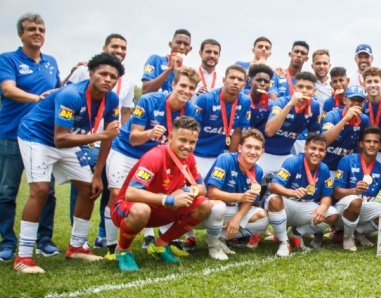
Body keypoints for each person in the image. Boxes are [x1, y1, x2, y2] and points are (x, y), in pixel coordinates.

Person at [13, 53, 124, 273]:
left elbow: (109, 137)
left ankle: (76, 246)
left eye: (113, 76)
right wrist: (101, 135)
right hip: (38, 137)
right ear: (91, 74)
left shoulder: (112, 99)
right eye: (103, 73)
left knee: (89, 189)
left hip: (70, 138)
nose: (108, 79)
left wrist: (96, 174)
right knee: (40, 190)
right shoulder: (71, 95)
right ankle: (23, 257)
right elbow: (60, 139)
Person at [105, 67, 202, 257]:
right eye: (183, 85)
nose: (186, 91)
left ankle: (159, 240)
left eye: (191, 88)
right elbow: (133, 137)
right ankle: (111, 245)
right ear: (173, 84)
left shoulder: (191, 110)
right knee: (118, 195)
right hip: (128, 151)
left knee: (163, 193)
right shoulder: (149, 100)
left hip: (158, 155)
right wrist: (150, 133)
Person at [0, 13, 61, 261]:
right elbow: (8, 89)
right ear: (20, 34)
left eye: (41, 29)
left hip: (42, 138)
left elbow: (55, 91)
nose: (37, 33)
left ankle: (44, 240)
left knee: (47, 192)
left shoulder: (51, 62)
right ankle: (7, 244)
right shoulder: (8, 59)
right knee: (7, 192)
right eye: (31, 29)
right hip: (12, 135)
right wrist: (37, 98)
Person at [110, 116, 213, 272]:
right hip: (128, 209)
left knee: (205, 205)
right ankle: (123, 249)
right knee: (141, 210)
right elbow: (131, 193)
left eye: (192, 142)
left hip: (160, 208)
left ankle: (161, 245)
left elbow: (202, 188)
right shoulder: (155, 156)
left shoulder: (189, 158)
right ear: (171, 137)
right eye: (183, 140)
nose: (187, 146)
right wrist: (169, 200)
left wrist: (185, 191)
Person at [66, 33, 136, 249]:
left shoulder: (128, 80)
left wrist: (119, 137)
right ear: (104, 47)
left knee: (107, 188)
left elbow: (124, 113)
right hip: (79, 139)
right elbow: (64, 94)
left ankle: (104, 235)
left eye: (123, 47)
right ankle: (78, 236)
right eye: (115, 46)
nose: (120, 50)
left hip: (109, 141)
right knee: (82, 187)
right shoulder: (82, 71)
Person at [200, 128, 269, 260]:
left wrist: (238, 217)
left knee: (264, 218)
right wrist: (239, 197)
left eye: (257, 148)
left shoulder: (258, 171)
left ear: (262, 152)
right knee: (219, 206)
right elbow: (212, 193)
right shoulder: (225, 159)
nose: (252, 152)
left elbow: (249, 200)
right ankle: (213, 245)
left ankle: (219, 237)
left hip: (230, 209)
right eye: (248, 147)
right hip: (209, 209)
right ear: (239, 148)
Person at [333, 127, 381, 251]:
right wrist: (354, 191)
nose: (372, 145)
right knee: (356, 201)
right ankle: (348, 238)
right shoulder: (347, 161)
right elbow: (336, 193)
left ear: (380, 145)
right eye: (368, 141)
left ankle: (358, 232)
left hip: (364, 209)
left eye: (375, 142)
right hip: (343, 210)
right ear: (361, 144)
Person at [266, 134, 339, 255]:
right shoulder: (293, 161)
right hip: (287, 205)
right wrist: (292, 192)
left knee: (332, 214)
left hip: (306, 207)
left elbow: (327, 195)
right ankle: (283, 242)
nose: (316, 153)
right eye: (313, 148)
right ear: (305, 149)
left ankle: (296, 233)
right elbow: (273, 186)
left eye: (321, 150)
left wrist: (323, 207)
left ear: (325, 152)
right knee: (273, 199)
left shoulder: (324, 168)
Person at [193, 65, 253, 177]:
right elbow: (192, 130)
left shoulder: (245, 101)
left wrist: (232, 161)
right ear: (224, 80)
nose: (235, 82)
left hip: (219, 156)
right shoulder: (205, 99)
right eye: (232, 78)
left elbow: (237, 132)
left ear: (244, 85)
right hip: (196, 153)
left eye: (240, 80)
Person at [261, 71, 322, 179]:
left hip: (286, 156)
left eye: (308, 88)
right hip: (263, 153)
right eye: (300, 87)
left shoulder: (315, 107)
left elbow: (313, 137)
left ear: (314, 91)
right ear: (294, 88)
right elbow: (269, 131)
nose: (304, 90)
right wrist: (290, 105)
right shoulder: (281, 102)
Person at [321, 85, 371, 170]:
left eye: (360, 101)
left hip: (349, 169)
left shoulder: (364, 120)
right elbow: (323, 141)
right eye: (353, 99)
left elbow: (364, 146)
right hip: (327, 167)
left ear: (364, 103)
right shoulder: (332, 115)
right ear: (345, 100)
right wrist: (345, 119)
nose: (356, 103)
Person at [142, 28, 192, 94]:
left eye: (186, 44)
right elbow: (145, 90)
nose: (182, 47)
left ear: (190, 49)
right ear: (170, 44)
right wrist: (170, 69)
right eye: (178, 42)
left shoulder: (187, 73)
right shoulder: (155, 60)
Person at [247, 63, 275, 132]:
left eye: (266, 82)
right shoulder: (240, 98)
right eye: (259, 80)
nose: (262, 84)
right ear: (250, 82)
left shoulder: (271, 105)